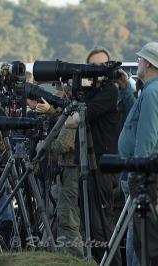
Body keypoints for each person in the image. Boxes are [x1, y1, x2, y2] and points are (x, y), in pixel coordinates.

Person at [72, 45, 122, 265]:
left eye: (102, 65)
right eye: (93, 66)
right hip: (87, 162)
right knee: (89, 226)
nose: (98, 70)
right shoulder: (90, 91)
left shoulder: (111, 90)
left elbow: (83, 115)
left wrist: (65, 116)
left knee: (102, 225)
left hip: (103, 164)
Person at [116, 42, 158, 265]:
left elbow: (147, 136)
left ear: (148, 63)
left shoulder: (152, 92)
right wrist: (125, 87)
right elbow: (134, 120)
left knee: (141, 237)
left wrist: (138, 170)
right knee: (137, 235)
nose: (138, 63)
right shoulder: (149, 89)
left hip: (142, 175)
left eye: (140, 60)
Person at [35, 85, 84, 258]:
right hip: (71, 170)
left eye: (63, 88)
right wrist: (51, 111)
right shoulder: (77, 110)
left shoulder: (76, 111)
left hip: (71, 171)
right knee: (69, 216)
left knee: (67, 217)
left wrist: (44, 146)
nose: (60, 92)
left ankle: (74, 257)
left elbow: (63, 145)